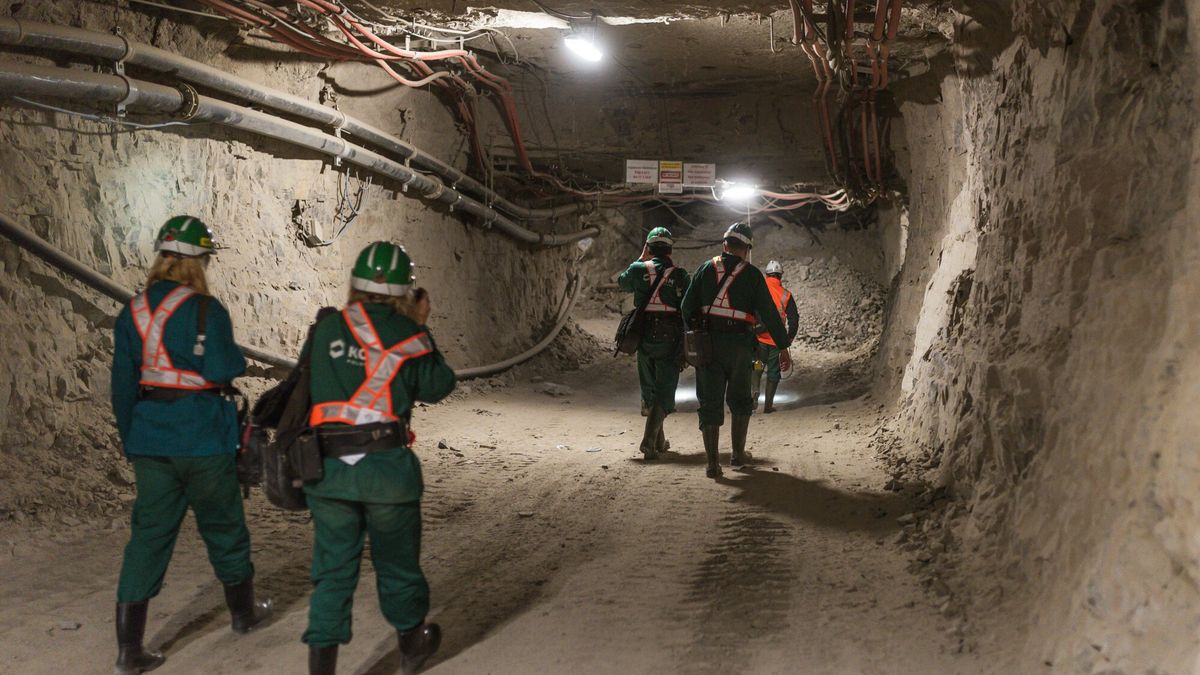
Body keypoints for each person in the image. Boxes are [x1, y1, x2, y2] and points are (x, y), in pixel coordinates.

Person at [110, 216, 272, 675]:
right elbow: (223, 368)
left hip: (152, 441)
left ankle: (129, 650)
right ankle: (243, 614)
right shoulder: (207, 310)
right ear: (198, 261)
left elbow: (123, 386)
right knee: (223, 527)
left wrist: (132, 439)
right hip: (203, 439)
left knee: (148, 538)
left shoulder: (133, 311)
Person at [302, 241, 456, 675]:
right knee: (397, 564)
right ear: (404, 291)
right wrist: (422, 328)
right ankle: (412, 646)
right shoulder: (409, 333)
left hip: (329, 470)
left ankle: (322, 667)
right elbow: (438, 385)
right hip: (387, 473)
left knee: (332, 574)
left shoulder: (328, 328)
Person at [680, 222, 790, 478]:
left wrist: (698, 330)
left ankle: (712, 464)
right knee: (740, 399)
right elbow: (771, 315)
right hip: (740, 346)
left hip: (708, 345)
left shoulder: (705, 269)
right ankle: (738, 455)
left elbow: (686, 306)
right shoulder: (752, 275)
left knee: (709, 399)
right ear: (747, 249)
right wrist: (783, 347)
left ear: (724, 245)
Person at [618, 227, 690, 460]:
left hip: (643, 334)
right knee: (665, 389)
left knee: (649, 387)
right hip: (670, 336)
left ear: (648, 248)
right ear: (670, 250)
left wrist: (640, 259)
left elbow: (623, 282)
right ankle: (649, 442)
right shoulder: (679, 275)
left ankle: (659, 441)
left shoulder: (639, 269)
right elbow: (688, 305)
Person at [751, 260, 799, 413]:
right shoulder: (786, 295)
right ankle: (768, 405)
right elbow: (794, 320)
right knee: (773, 372)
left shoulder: (757, 289)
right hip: (776, 341)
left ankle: (753, 395)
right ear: (780, 276)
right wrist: (788, 339)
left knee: (757, 367)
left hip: (758, 339)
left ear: (766, 274)